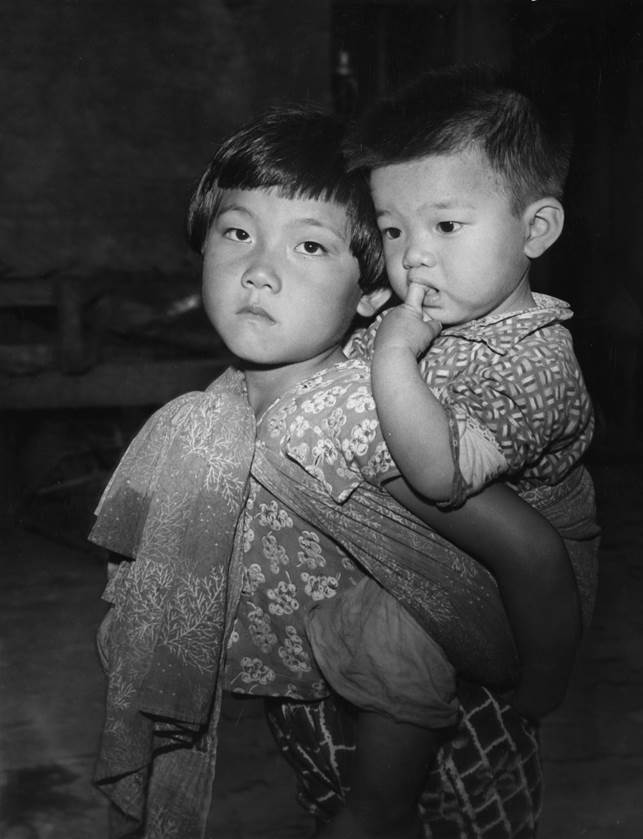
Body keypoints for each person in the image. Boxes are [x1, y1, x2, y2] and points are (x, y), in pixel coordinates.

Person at [88, 105, 581, 839]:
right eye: (237, 232)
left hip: (447, 736)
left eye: (310, 246)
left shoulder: (357, 418)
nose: (259, 270)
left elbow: (527, 551)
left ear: (373, 292)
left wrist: (540, 688)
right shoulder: (220, 408)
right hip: (311, 710)